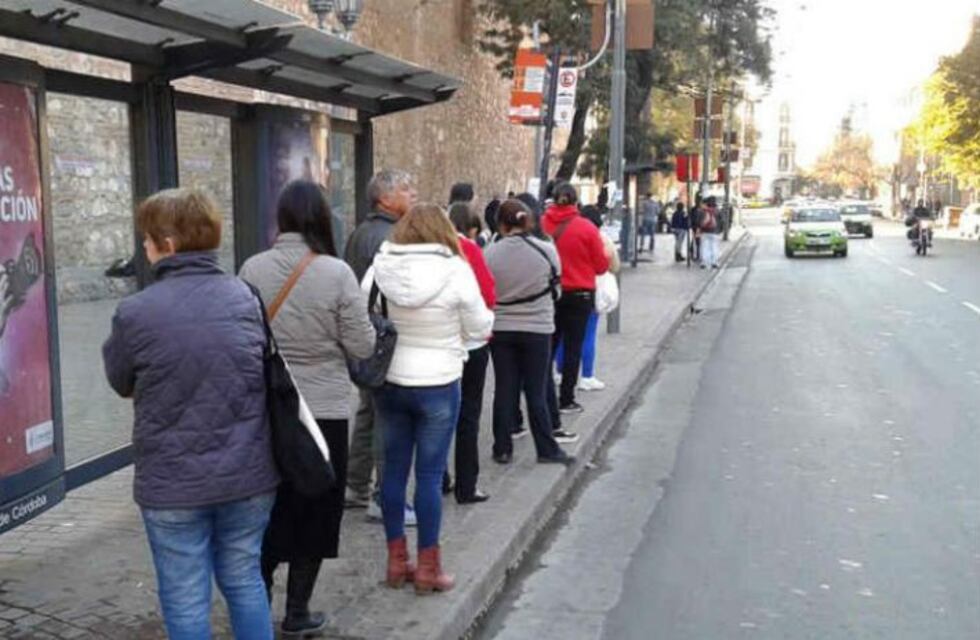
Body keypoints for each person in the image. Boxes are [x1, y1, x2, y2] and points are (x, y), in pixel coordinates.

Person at [102, 188, 278, 639]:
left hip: (172, 482)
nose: (143, 247)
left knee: (184, 595)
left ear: (169, 244)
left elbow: (121, 381)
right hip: (248, 476)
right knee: (244, 580)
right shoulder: (246, 297)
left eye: (147, 239)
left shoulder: (135, 312)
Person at [239, 181, 376, 636]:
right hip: (325, 411)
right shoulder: (336, 273)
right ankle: (297, 612)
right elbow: (362, 343)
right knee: (316, 506)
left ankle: (254, 609)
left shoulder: (251, 268)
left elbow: (243, 338)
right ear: (321, 218)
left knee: (269, 505)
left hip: (269, 409)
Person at [366, 204, 493, 594]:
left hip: (390, 382)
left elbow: (361, 316)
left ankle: (395, 562)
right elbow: (480, 324)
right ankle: (428, 568)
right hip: (439, 381)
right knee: (429, 475)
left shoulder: (379, 268)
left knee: (392, 471)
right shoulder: (455, 269)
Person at [344, 170, 419, 527]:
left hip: (362, 336)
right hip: (385, 338)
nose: (413, 193)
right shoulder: (393, 237)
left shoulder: (360, 232)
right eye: (406, 189)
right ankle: (382, 495)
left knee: (368, 411)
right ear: (385, 198)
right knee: (386, 418)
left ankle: (355, 485)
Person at [485, 199, 575, 466]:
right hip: (538, 329)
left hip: (500, 329)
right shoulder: (547, 251)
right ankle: (546, 448)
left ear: (501, 223)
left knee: (504, 389)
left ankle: (502, 447)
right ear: (528, 221)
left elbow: (485, 289)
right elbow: (557, 289)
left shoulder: (489, 253)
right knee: (536, 390)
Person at [541, 181, 610, 416]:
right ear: (575, 201)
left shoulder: (542, 225)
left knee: (548, 345)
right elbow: (601, 267)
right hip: (580, 295)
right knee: (573, 347)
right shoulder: (587, 228)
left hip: (549, 294)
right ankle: (566, 398)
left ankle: (542, 393)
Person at [447, 202, 496, 503]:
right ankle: (467, 484)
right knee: (468, 414)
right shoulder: (469, 250)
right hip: (471, 344)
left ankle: (439, 477)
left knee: (438, 416)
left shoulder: (424, 251)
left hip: (438, 346)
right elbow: (488, 293)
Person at [564, 205, 620, 392]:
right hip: (591, 291)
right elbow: (612, 266)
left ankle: (558, 372)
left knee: (565, 335)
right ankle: (586, 376)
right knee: (588, 335)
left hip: (567, 289)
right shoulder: (601, 239)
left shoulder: (568, 233)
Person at [699, 196, 722, 269]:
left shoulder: (703, 211)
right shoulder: (717, 211)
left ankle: (704, 263)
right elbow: (722, 221)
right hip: (715, 232)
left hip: (705, 231)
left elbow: (699, 221)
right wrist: (720, 230)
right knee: (714, 247)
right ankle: (714, 262)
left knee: (704, 247)